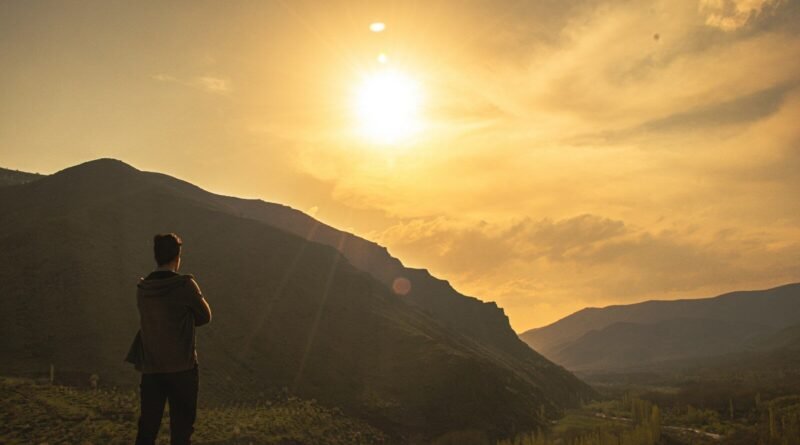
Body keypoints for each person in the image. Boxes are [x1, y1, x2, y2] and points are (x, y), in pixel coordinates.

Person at [125, 233, 212, 445]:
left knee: (147, 428)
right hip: (183, 368)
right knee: (181, 431)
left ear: (156, 256)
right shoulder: (185, 285)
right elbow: (205, 316)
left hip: (152, 368)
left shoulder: (143, 289)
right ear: (178, 257)